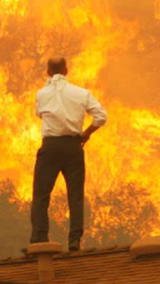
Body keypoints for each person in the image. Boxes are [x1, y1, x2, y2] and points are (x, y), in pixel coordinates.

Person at [30, 57, 107, 251]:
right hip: (73, 147)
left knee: (41, 195)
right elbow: (101, 117)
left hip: (50, 147)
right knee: (75, 196)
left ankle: (39, 240)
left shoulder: (41, 94)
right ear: (66, 70)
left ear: (48, 72)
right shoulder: (82, 93)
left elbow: (40, 114)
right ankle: (74, 241)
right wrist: (86, 134)